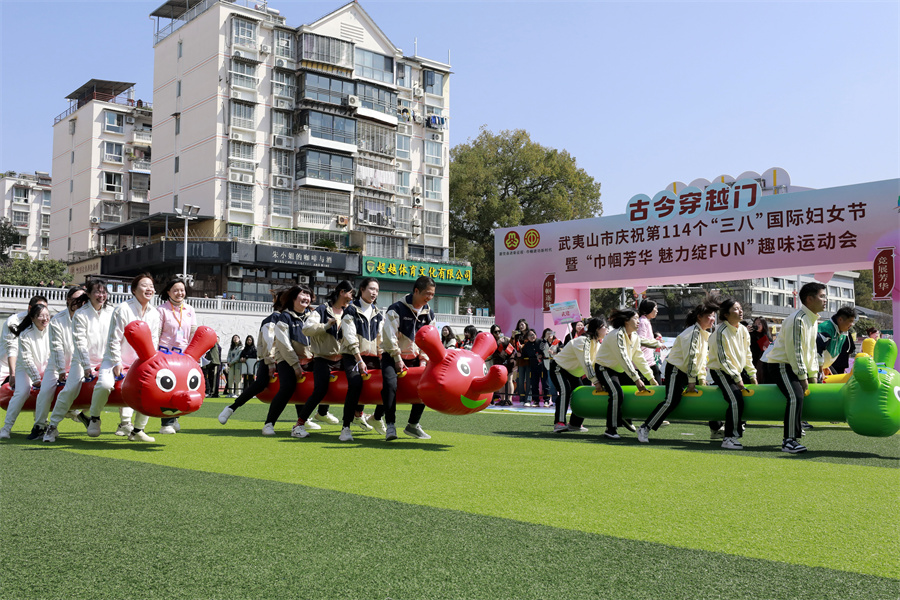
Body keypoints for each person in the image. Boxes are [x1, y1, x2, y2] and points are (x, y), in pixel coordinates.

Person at [86, 273, 160, 442]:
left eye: (151, 286)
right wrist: (117, 362)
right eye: (144, 285)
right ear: (134, 290)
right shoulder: (123, 309)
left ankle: (138, 430)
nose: (149, 289)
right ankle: (95, 418)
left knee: (150, 390)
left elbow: (153, 341)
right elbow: (114, 338)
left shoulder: (155, 314)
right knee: (104, 385)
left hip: (140, 363)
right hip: (114, 359)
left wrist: (150, 364)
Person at [44, 280, 120, 442]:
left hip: (106, 359)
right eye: (97, 292)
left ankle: (104, 420)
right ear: (89, 295)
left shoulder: (112, 312)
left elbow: (116, 338)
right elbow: (80, 343)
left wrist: (115, 360)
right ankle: (53, 426)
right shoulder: (81, 314)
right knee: (70, 389)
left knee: (110, 385)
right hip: (81, 361)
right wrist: (86, 366)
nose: (101, 296)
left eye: (104, 292)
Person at [637, 300, 716, 443]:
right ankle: (645, 427)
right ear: (699, 316)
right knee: (671, 400)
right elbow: (690, 358)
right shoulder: (692, 333)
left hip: (689, 371)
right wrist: (692, 381)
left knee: (708, 395)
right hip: (676, 369)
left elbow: (702, 360)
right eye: (710, 315)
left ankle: (716, 428)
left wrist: (702, 378)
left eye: (714, 315)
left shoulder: (703, 333)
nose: (713, 319)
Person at [761, 282, 826, 454]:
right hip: (781, 364)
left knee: (800, 395)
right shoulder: (798, 319)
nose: (825, 300)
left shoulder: (812, 320)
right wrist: (803, 377)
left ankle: (795, 432)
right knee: (795, 396)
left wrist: (812, 375)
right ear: (809, 299)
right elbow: (794, 351)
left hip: (793, 366)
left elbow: (811, 351)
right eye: (822, 296)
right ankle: (788, 440)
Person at [292, 280, 354, 439]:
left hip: (343, 359)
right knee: (320, 390)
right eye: (350, 294)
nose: (351, 298)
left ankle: (357, 417)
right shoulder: (321, 310)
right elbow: (306, 329)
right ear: (341, 292)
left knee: (357, 382)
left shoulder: (350, 311)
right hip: (323, 359)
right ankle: (299, 425)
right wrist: (325, 326)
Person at [380, 275, 436, 441]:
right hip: (392, 356)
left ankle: (413, 425)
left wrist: (424, 360)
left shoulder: (429, 313)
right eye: (427, 293)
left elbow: (430, 339)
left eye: (432, 295)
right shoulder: (396, 308)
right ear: (416, 291)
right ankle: (390, 425)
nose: (429, 298)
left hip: (416, 359)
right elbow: (389, 337)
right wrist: (397, 359)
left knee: (427, 385)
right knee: (390, 385)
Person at [29, 286, 87, 440]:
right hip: (56, 366)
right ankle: (40, 426)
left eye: (83, 299)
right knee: (45, 391)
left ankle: (91, 417)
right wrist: (62, 370)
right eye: (76, 299)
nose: (80, 303)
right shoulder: (57, 320)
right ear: (68, 300)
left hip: (80, 364)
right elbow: (57, 348)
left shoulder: (88, 317)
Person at [330, 277, 384, 441]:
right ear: (362, 289)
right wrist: (359, 360)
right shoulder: (351, 310)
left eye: (376, 290)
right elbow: (350, 336)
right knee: (355, 384)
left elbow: (381, 339)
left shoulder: (378, 313)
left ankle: (377, 417)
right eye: (371, 289)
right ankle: (345, 427)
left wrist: (383, 358)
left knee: (388, 383)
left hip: (372, 357)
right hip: (352, 356)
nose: (374, 292)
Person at [219, 293, 283, 424]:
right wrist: (271, 361)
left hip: (286, 359)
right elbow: (268, 342)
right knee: (259, 384)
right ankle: (232, 408)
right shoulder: (273, 319)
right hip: (271, 359)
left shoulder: (290, 318)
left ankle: (303, 419)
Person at [597, 309, 659, 439]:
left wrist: (650, 377)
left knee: (632, 391)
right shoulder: (616, 335)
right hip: (605, 368)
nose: (638, 322)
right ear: (626, 320)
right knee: (616, 393)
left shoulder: (635, 336)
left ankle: (624, 418)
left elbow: (639, 357)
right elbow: (623, 358)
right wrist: (636, 379)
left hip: (620, 369)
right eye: (635, 318)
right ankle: (611, 429)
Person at [260, 285, 314, 435]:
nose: (306, 298)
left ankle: (313, 418)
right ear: (293, 298)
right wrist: (295, 365)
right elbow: (284, 344)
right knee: (288, 387)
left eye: (308, 295)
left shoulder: (312, 316)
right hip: (286, 360)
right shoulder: (285, 316)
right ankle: (269, 424)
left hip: (308, 359)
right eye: (303, 294)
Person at [706, 298, 757, 450]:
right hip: (721, 371)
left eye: (740, 308)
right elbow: (723, 359)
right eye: (735, 309)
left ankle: (732, 432)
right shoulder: (720, 332)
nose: (740, 311)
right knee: (735, 399)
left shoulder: (742, 329)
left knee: (743, 398)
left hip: (737, 371)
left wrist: (752, 374)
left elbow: (747, 354)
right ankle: (728, 437)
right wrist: (737, 378)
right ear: (726, 314)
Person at [0, 304, 51, 439]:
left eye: (47, 315)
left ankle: (43, 426)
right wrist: (36, 380)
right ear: (33, 318)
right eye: (41, 316)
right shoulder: (25, 334)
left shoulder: (52, 330)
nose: (45, 319)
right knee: (22, 392)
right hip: (25, 369)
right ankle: (6, 428)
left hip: (47, 368)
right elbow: (27, 360)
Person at [550, 317, 607, 432]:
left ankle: (575, 424)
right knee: (565, 390)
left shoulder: (597, 344)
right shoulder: (582, 341)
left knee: (582, 394)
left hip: (573, 373)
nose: (607, 330)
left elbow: (599, 362)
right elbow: (586, 362)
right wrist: (595, 381)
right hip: (559, 368)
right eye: (605, 327)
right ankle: (559, 423)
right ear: (597, 329)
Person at [157, 277, 198, 434]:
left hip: (183, 354)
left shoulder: (189, 309)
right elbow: (157, 333)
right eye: (175, 290)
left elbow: (193, 332)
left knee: (181, 387)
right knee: (168, 388)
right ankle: (166, 423)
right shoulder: (162, 310)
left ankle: (174, 418)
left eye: (182, 290)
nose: (179, 293)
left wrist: (193, 353)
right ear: (168, 292)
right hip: (165, 353)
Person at [1, 294, 49, 388]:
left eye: (44, 308)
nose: (42, 310)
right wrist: (13, 374)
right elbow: (12, 349)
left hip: (32, 365)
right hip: (7, 365)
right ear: (30, 308)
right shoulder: (13, 321)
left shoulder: (45, 322)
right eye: (38, 308)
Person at [817, 306, 857, 377]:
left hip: (826, 366)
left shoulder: (844, 332)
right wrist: (820, 370)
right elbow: (816, 352)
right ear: (840, 319)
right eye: (850, 321)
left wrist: (825, 366)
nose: (852, 324)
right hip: (813, 367)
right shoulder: (825, 328)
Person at [637, 299, 665, 384]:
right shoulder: (642, 322)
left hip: (648, 361)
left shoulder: (645, 321)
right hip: (645, 362)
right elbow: (640, 340)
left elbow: (646, 339)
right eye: (655, 308)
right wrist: (657, 344)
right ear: (649, 309)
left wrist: (655, 340)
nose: (657, 310)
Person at [512, 319, 531, 405]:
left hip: (529, 360)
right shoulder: (517, 335)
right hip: (520, 361)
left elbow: (531, 343)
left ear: (526, 325)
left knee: (528, 380)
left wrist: (522, 346)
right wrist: (512, 336)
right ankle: (522, 399)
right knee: (520, 380)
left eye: (522, 324)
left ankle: (528, 399)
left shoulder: (530, 334)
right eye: (519, 325)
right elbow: (512, 346)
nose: (521, 326)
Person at [749, 316, 773, 383]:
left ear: (763, 325)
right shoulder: (750, 334)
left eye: (759, 323)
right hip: (753, 360)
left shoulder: (767, 336)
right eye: (755, 323)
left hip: (763, 362)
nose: (756, 325)